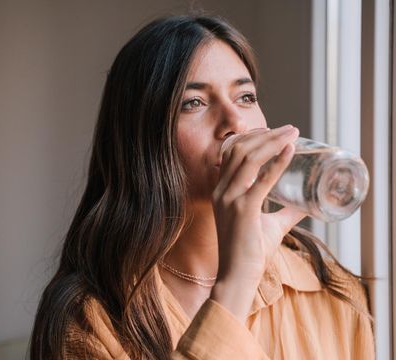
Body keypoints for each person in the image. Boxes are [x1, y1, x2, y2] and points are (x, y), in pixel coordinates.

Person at [30, 15, 375, 359]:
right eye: (193, 103)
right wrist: (236, 282)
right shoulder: (88, 321)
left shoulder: (326, 286)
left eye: (245, 97)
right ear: (142, 139)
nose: (235, 122)